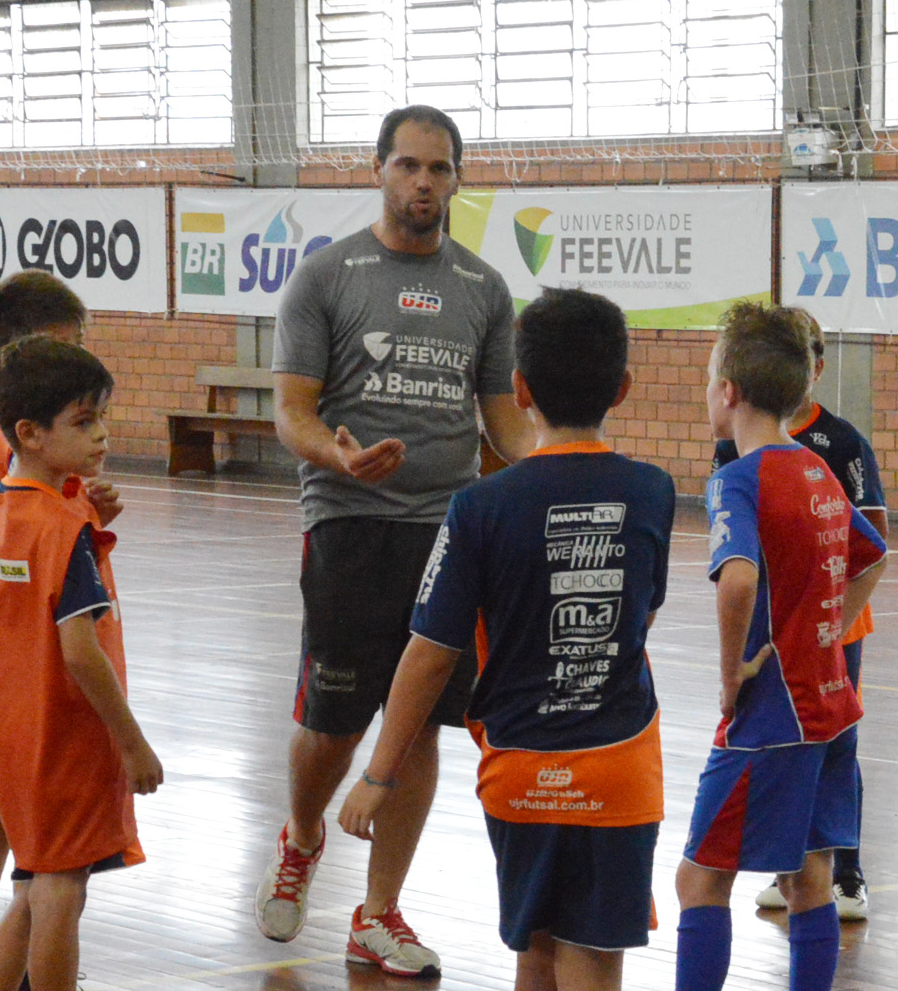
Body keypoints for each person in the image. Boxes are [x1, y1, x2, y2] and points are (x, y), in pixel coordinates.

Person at [255, 103, 534, 976]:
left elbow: (502, 421)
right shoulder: (326, 277)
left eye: (439, 168)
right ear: (377, 169)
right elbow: (292, 411)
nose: (423, 182)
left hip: (449, 531)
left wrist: (553, 466)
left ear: (457, 180)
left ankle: (378, 914)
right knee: (333, 723)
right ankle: (302, 838)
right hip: (348, 524)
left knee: (417, 729)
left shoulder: (485, 288)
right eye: (408, 165)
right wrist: (335, 454)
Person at [339, 288, 673, 991]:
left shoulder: (479, 506)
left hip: (522, 774)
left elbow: (430, 655)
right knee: (590, 958)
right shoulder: (653, 492)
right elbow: (640, 614)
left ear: (519, 391)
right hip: (618, 772)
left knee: (537, 954)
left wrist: (378, 776)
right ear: (623, 388)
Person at [675, 303, 887, 991]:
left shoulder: (736, 480)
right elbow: (872, 556)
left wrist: (732, 673)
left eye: (709, 378)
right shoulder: (816, 468)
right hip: (832, 705)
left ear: (728, 391)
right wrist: (828, 631)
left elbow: (737, 579)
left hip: (772, 714)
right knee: (808, 877)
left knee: (699, 879)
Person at [0, 269, 120, 991]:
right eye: (67, 346)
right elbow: (6, 536)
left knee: (18, 833)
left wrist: (86, 514)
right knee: (19, 834)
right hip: (27, 663)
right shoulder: (11, 452)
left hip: (12, 651)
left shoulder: (15, 450)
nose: (79, 359)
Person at [0, 336, 163, 991]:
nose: (101, 435)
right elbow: (79, 649)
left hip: (11, 733)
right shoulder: (60, 525)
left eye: (102, 417)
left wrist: (86, 521)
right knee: (60, 889)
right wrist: (132, 742)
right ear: (29, 432)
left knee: (31, 889)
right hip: (64, 739)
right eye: (83, 422)